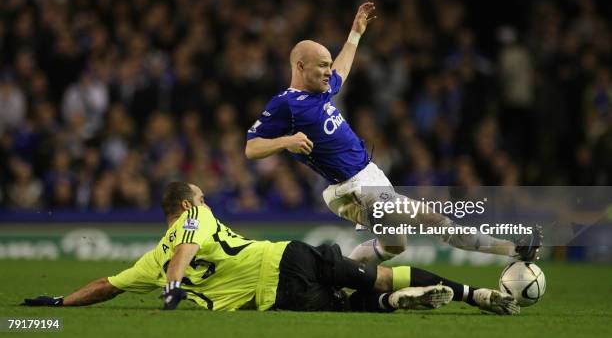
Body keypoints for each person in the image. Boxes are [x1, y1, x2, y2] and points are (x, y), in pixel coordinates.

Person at [244, 2, 541, 263]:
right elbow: (251, 148)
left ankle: (339, 276)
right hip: (354, 188)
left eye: (327, 65)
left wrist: (355, 33)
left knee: (394, 247)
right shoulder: (285, 104)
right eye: (322, 65)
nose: (328, 71)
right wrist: (287, 141)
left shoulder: (320, 90)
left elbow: (342, 70)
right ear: (300, 66)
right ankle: (514, 248)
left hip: (370, 176)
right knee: (434, 219)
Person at [22, 181, 519, 315]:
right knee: (380, 275)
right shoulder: (192, 220)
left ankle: (393, 304)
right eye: (199, 195)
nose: (206, 200)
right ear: (183, 203)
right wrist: (174, 284)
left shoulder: (148, 263)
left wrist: (58, 304)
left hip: (280, 302)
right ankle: (476, 294)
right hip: (286, 258)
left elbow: (107, 286)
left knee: (363, 302)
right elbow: (185, 253)